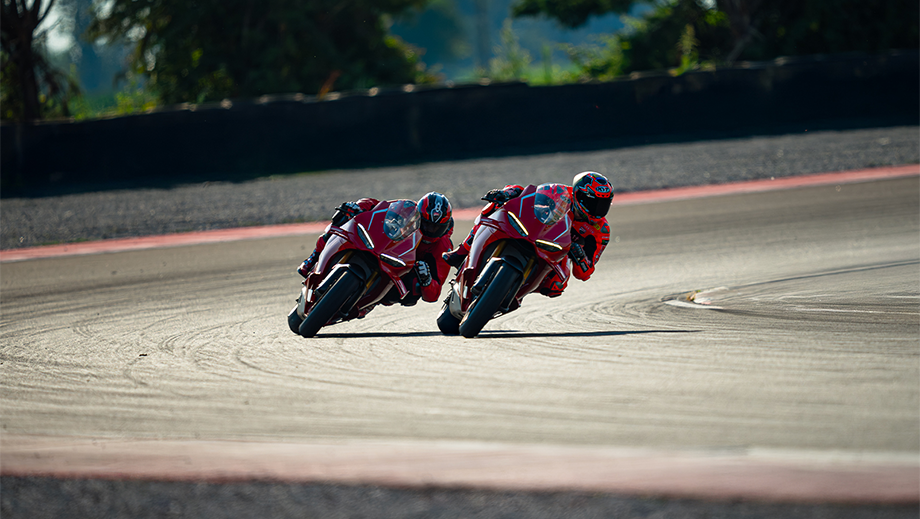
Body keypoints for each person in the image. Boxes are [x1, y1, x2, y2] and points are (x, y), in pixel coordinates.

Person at [442, 171, 612, 297]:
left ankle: (516, 291)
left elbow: (585, 273)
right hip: (534, 231)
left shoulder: (601, 231)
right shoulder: (560, 192)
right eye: (592, 202)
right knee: (495, 206)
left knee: (557, 285)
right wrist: (505, 193)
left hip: (556, 252)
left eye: (603, 204)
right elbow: (526, 193)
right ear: (578, 195)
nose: (598, 209)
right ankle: (462, 251)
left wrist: (580, 256)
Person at [297, 192, 454, 306]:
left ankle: (374, 300)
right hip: (382, 245)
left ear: (445, 227)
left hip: (404, 268)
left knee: (413, 290)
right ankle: (313, 258)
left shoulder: (443, 246)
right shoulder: (408, 209)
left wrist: (426, 279)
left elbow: (434, 294)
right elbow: (378, 206)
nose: (429, 230)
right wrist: (357, 206)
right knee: (342, 218)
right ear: (418, 215)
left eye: (435, 228)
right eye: (425, 224)